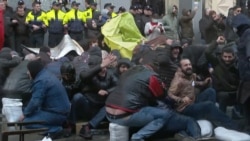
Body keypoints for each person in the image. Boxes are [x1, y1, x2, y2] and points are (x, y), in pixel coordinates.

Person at [105, 60, 201, 141]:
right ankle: (137, 138)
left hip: (109, 114)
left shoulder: (129, 73)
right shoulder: (151, 76)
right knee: (165, 115)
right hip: (125, 116)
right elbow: (161, 96)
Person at [168, 58, 239, 130]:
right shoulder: (177, 81)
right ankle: (232, 125)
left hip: (193, 101)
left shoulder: (190, 75)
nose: (189, 66)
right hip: (185, 109)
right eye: (185, 65)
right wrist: (181, 99)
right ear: (180, 68)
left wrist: (204, 83)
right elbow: (169, 94)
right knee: (209, 105)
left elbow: (192, 84)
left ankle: (212, 117)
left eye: (189, 64)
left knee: (210, 91)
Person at [21, 59, 71, 139]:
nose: (27, 73)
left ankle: (56, 129)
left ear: (33, 70)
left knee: (26, 122)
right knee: (28, 112)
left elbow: (35, 102)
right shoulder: (45, 75)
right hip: (59, 111)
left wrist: (25, 114)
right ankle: (56, 125)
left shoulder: (41, 80)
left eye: (28, 70)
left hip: (57, 113)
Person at [205, 37, 240, 113]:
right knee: (223, 97)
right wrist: (216, 42)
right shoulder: (217, 62)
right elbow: (207, 52)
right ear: (222, 56)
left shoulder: (237, 65)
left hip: (235, 91)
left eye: (229, 57)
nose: (227, 59)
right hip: (221, 91)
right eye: (225, 57)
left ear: (234, 56)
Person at [232, 13, 250, 130]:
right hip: (246, 76)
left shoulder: (248, 34)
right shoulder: (245, 35)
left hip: (249, 77)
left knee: (246, 102)